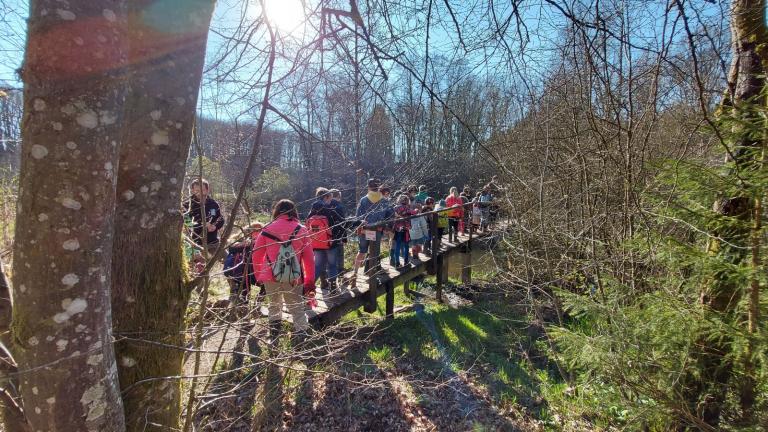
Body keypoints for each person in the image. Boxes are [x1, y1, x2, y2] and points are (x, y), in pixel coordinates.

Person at [252, 199, 315, 344]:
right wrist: (309, 282)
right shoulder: (302, 229)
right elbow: (309, 259)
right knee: (297, 308)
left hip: (270, 276)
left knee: (274, 306)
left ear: (276, 211)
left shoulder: (266, 229)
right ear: (293, 211)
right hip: (293, 277)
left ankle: (274, 338)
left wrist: (259, 275)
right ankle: (302, 341)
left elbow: (256, 255)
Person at [351, 178, 394, 288]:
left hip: (365, 230)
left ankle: (355, 274)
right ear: (378, 187)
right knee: (374, 254)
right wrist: (385, 226)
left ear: (369, 187)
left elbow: (358, 217)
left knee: (361, 252)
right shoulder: (384, 201)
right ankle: (371, 277)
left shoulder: (364, 200)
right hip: (377, 231)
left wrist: (361, 225)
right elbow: (390, 216)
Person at [307, 187, 344, 293]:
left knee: (317, 266)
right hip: (330, 243)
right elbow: (341, 223)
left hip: (316, 243)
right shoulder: (329, 210)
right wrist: (359, 222)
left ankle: (308, 287)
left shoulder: (312, 211)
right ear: (326, 197)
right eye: (330, 198)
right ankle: (333, 287)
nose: (330, 201)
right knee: (332, 265)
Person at [184, 178, 225, 256]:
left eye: (202, 190)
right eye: (197, 190)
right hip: (194, 244)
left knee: (228, 260)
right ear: (192, 190)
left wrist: (215, 226)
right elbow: (187, 224)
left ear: (207, 190)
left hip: (213, 242)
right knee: (197, 266)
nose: (200, 193)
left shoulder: (213, 203)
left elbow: (220, 218)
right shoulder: (187, 206)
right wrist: (201, 224)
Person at [391, 194, 412, 267]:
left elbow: (393, 217)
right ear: (407, 201)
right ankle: (406, 261)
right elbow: (411, 215)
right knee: (406, 246)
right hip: (405, 230)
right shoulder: (408, 208)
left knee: (397, 246)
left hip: (397, 229)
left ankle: (397, 262)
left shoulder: (395, 208)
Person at [329, 188, 346, 273]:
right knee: (340, 254)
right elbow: (343, 222)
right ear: (339, 196)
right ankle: (340, 272)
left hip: (327, 236)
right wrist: (344, 238)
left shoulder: (326, 205)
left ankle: (329, 277)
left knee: (330, 259)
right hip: (338, 234)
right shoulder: (339, 206)